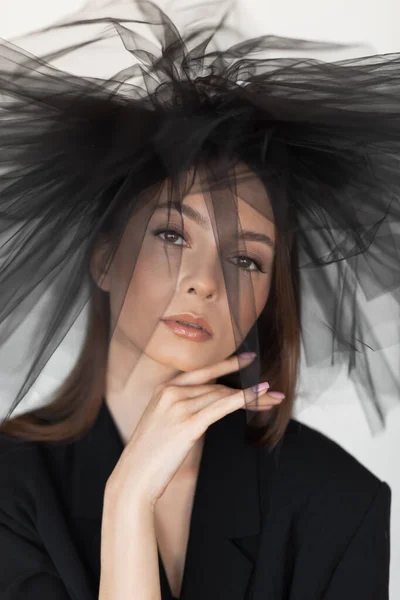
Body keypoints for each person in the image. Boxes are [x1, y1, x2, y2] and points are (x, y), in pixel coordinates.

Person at [0, 1, 396, 598]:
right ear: (105, 260)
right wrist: (128, 500)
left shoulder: (339, 500)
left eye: (246, 259)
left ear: (269, 293)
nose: (205, 281)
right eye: (171, 234)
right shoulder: (9, 484)